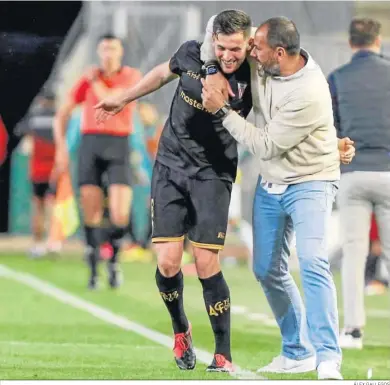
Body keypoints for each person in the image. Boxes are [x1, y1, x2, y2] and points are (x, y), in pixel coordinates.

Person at [95, 9, 254, 373]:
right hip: (170, 166)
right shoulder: (192, 53)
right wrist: (125, 97)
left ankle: (223, 353)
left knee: (205, 262)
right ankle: (181, 329)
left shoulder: (255, 74)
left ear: (248, 45)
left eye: (237, 49)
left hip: (214, 173)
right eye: (224, 48)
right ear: (214, 42)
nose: (230, 56)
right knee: (167, 262)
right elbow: (161, 74)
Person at [201, 16, 355, 380]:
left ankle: (328, 357)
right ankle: (296, 351)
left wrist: (221, 110)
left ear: (280, 53)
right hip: (273, 184)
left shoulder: (309, 91)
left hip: (311, 181)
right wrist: (211, 68)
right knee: (266, 269)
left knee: (314, 260)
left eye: (258, 47)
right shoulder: (264, 58)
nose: (250, 52)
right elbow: (212, 36)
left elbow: (267, 145)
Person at [53, 34, 142, 289]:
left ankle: (113, 260)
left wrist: (93, 80)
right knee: (91, 211)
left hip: (118, 145)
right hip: (91, 143)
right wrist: (61, 147)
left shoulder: (131, 77)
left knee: (119, 213)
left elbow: (113, 101)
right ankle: (93, 268)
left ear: (120, 52)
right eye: (103, 49)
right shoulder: (88, 80)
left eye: (112, 49)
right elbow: (63, 113)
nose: (107, 54)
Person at [327, 17, 390, 350]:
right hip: (389, 171)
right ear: (377, 41)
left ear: (351, 43)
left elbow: (331, 129)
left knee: (354, 253)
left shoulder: (336, 78)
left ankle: (352, 330)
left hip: (352, 173)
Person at [15, 91, 57, 257]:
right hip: (54, 168)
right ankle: (53, 243)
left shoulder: (34, 117)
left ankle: (38, 243)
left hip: (38, 168)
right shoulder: (58, 117)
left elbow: (20, 132)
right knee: (52, 205)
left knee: (37, 205)